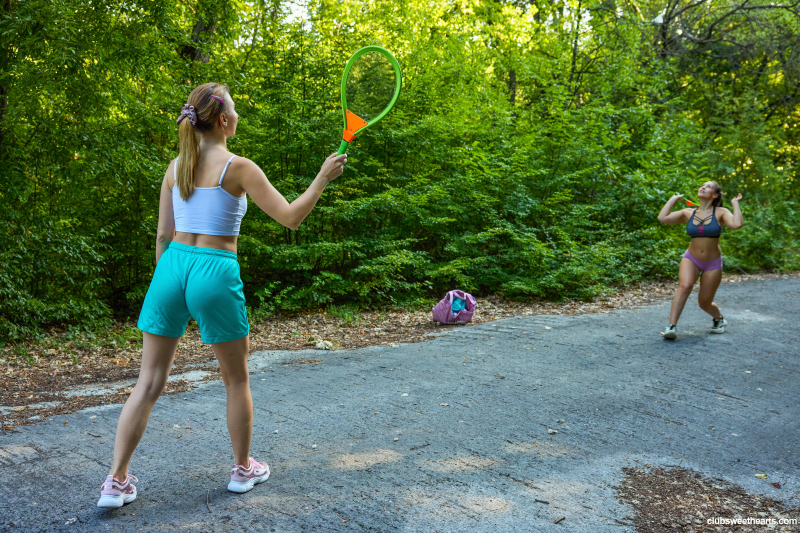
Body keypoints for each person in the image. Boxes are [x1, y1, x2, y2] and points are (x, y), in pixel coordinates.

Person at [97, 82, 348, 508]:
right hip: (214, 269)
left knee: (149, 382)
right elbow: (290, 218)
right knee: (236, 378)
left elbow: (162, 235)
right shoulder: (240, 167)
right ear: (226, 121)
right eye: (235, 108)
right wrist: (322, 178)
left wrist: (169, 280)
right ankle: (243, 468)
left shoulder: (176, 166)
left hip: (171, 267)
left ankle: (115, 481)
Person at [656, 181, 743, 340]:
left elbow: (736, 224)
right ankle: (671, 326)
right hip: (691, 258)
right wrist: (673, 199)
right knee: (685, 285)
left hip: (712, 263)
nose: (703, 187)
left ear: (715, 195)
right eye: (702, 185)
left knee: (704, 302)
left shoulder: (721, 212)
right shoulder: (687, 212)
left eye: (708, 187)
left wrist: (734, 203)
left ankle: (718, 319)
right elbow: (662, 218)